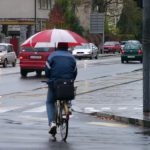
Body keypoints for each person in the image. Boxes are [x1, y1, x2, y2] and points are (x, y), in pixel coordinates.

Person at [45, 42, 77, 135]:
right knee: (68, 94)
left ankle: (52, 123)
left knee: (50, 102)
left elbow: (47, 71)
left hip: (55, 84)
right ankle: (68, 107)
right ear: (67, 48)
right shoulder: (72, 57)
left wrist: (50, 78)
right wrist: (71, 80)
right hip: (68, 84)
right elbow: (74, 72)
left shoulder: (52, 56)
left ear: (57, 47)